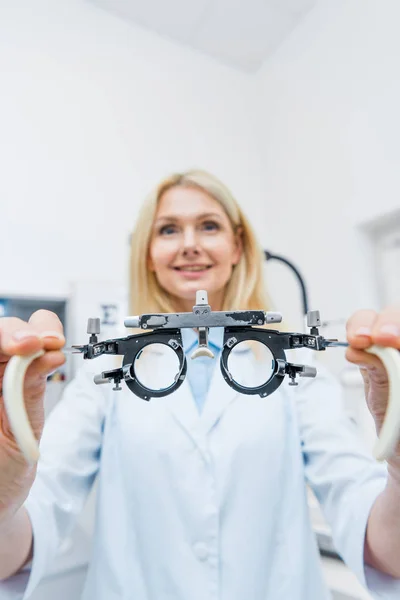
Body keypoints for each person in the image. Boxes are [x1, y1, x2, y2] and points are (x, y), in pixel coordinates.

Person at [0, 169, 400, 600]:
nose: (190, 243)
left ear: (238, 247)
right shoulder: (110, 370)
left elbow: (380, 542)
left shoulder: (292, 364)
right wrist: (3, 497)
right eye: (168, 229)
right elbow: (28, 529)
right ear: (148, 254)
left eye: (209, 226)